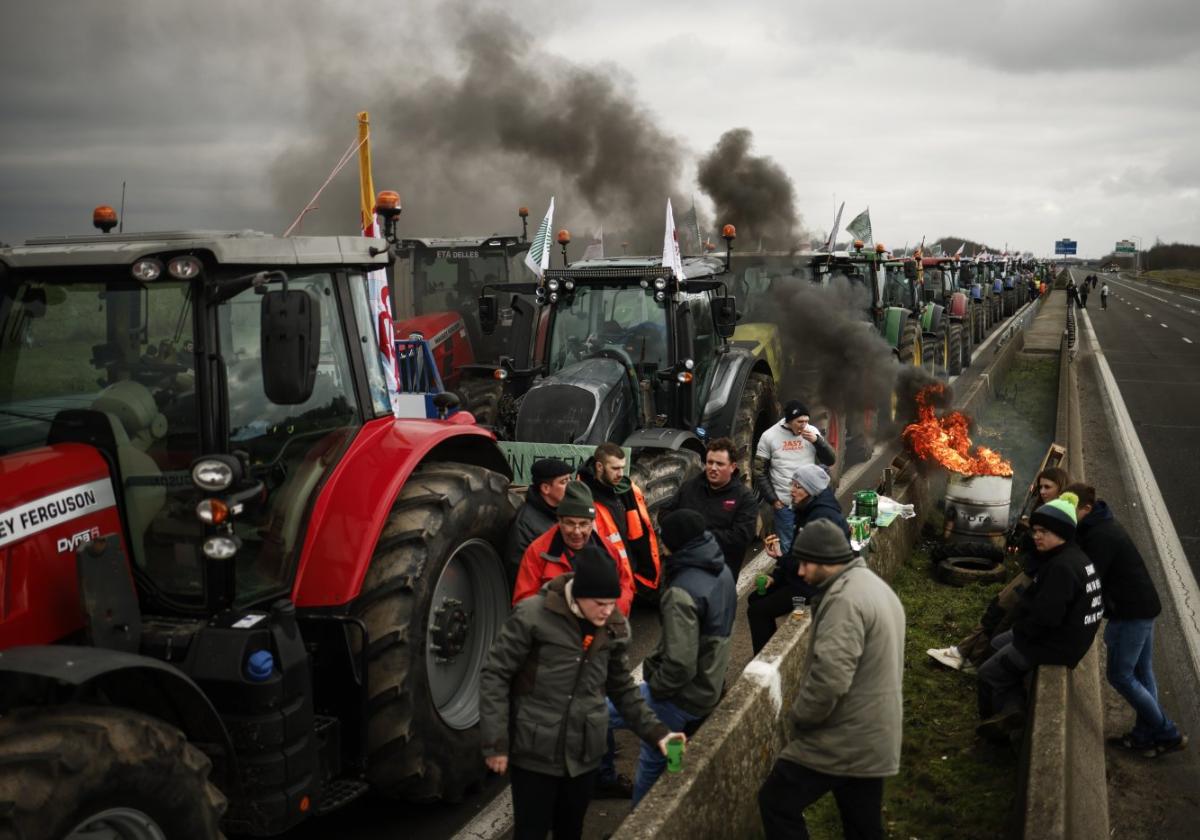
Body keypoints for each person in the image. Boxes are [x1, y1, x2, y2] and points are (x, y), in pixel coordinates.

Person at [480, 547, 684, 840]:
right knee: (531, 832)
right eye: (600, 603)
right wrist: (496, 741)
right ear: (578, 595)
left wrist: (659, 734)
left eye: (612, 602)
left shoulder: (614, 626)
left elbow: (622, 689)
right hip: (534, 752)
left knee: (571, 830)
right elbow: (495, 675)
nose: (607, 610)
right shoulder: (532, 617)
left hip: (584, 754)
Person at [758, 520, 906, 840]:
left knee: (776, 801)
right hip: (875, 735)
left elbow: (830, 679)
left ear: (826, 561)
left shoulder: (844, 601)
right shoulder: (871, 585)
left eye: (805, 563)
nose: (800, 572)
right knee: (863, 827)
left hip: (843, 738)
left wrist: (799, 719)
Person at [609, 509, 736, 806]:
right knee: (670, 758)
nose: (659, 539)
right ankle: (679, 799)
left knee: (645, 759)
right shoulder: (721, 568)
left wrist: (658, 690)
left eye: (662, 534)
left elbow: (679, 663)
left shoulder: (682, 591)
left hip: (679, 696)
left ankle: (640, 828)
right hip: (708, 686)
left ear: (675, 541)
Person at [1070, 483, 1188, 757]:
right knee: (1142, 674)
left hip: (1130, 613)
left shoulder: (1099, 537)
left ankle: (1167, 732)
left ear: (1086, 509)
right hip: (1143, 606)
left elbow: (1089, 579)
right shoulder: (1100, 525)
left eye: (1071, 509)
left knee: (1120, 675)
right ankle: (1144, 735)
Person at [976, 492, 1103, 741]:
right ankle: (1012, 709)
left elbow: (1045, 619)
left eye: (1043, 531)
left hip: (1052, 646)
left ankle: (994, 732)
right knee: (996, 643)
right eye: (1035, 530)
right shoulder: (1071, 556)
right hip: (1060, 639)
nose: (1036, 536)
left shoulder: (1062, 568)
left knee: (988, 675)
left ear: (1062, 532)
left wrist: (1020, 633)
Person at [927, 466, 1070, 670]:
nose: (1043, 492)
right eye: (1041, 487)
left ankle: (970, 658)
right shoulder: (1047, 509)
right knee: (997, 610)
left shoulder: (1059, 514)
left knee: (1001, 616)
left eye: (1048, 487)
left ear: (1061, 487)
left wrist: (1029, 536)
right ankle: (964, 653)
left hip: (1036, 576)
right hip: (1031, 572)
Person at [748, 464, 850, 654]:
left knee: (758, 611)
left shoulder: (822, 518)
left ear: (811, 490)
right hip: (803, 579)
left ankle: (766, 665)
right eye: (792, 485)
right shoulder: (808, 509)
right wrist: (775, 577)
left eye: (797, 487)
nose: (791, 491)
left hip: (817, 586)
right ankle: (768, 653)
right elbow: (797, 553)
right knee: (755, 599)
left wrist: (780, 557)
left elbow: (809, 566)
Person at [512, 481, 635, 617]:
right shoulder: (538, 552)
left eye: (583, 524)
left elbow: (625, 585)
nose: (577, 531)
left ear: (592, 523)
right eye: (570, 523)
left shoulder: (608, 550)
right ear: (559, 521)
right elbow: (524, 604)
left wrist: (611, 614)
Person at [660, 437, 759, 578]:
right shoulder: (690, 487)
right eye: (710, 462)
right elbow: (665, 512)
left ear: (732, 466)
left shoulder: (744, 498)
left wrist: (695, 535)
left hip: (718, 573)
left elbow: (741, 538)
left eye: (720, 464)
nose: (713, 468)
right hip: (682, 568)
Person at [754, 400, 837, 557]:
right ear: (789, 420)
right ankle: (790, 577)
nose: (804, 425)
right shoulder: (769, 436)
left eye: (806, 421)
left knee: (813, 544)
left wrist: (817, 441)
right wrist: (773, 500)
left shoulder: (812, 432)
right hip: (784, 503)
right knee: (788, 546)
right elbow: (759, 471)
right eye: (800, 422)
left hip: (810, 503)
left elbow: (830, 460)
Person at [579, 442, 663, 597]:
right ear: (599, 467)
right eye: (615, 468)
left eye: (622, 468)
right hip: (605, 582)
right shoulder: (583, 496)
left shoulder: (626, 491)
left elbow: (638, 533)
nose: (620, 473)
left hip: (627, 579)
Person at [506, 458, 573, 569]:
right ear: (546, 488)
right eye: (564, 482)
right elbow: (520, 570)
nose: (570, 486)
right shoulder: (525, 525)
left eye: (570, 479)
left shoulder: (561, 512)